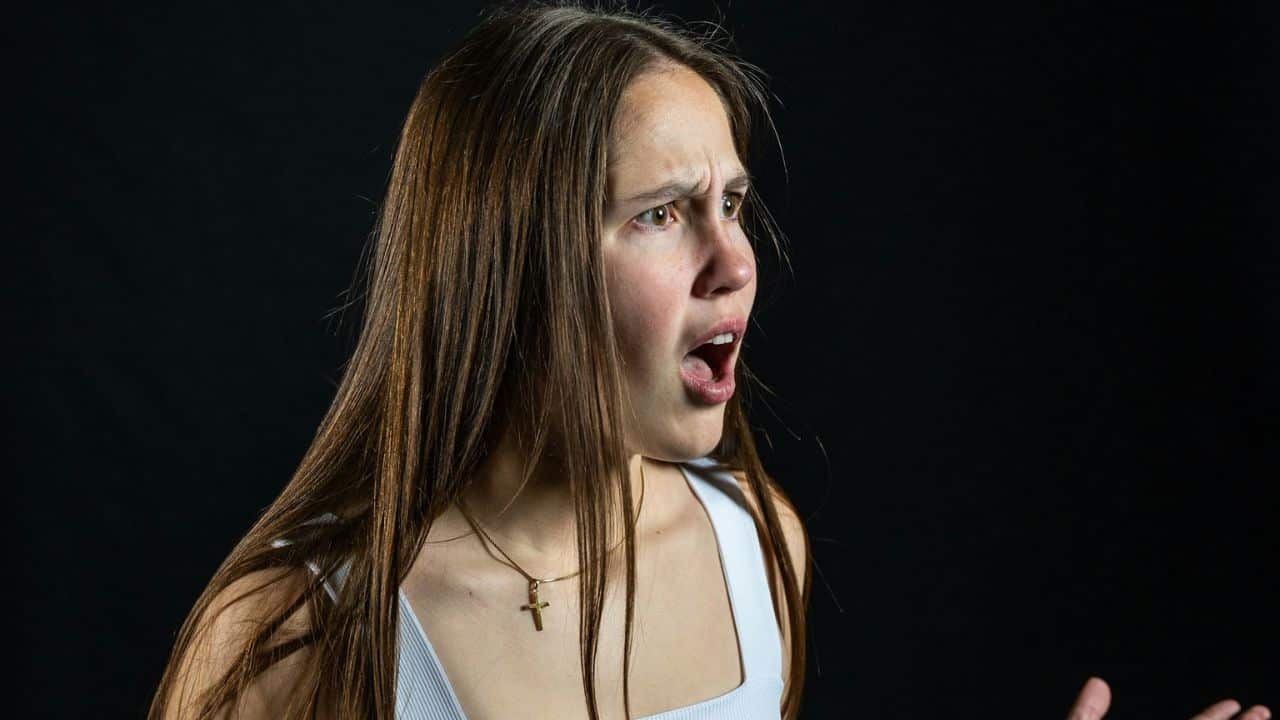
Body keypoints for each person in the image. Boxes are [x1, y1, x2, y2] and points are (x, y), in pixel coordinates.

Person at [147, 4, 1271, 720]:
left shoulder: (755, 543)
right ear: (511, 262)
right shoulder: (291, 640)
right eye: (658, 214)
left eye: (730, 203)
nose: (734, 259)